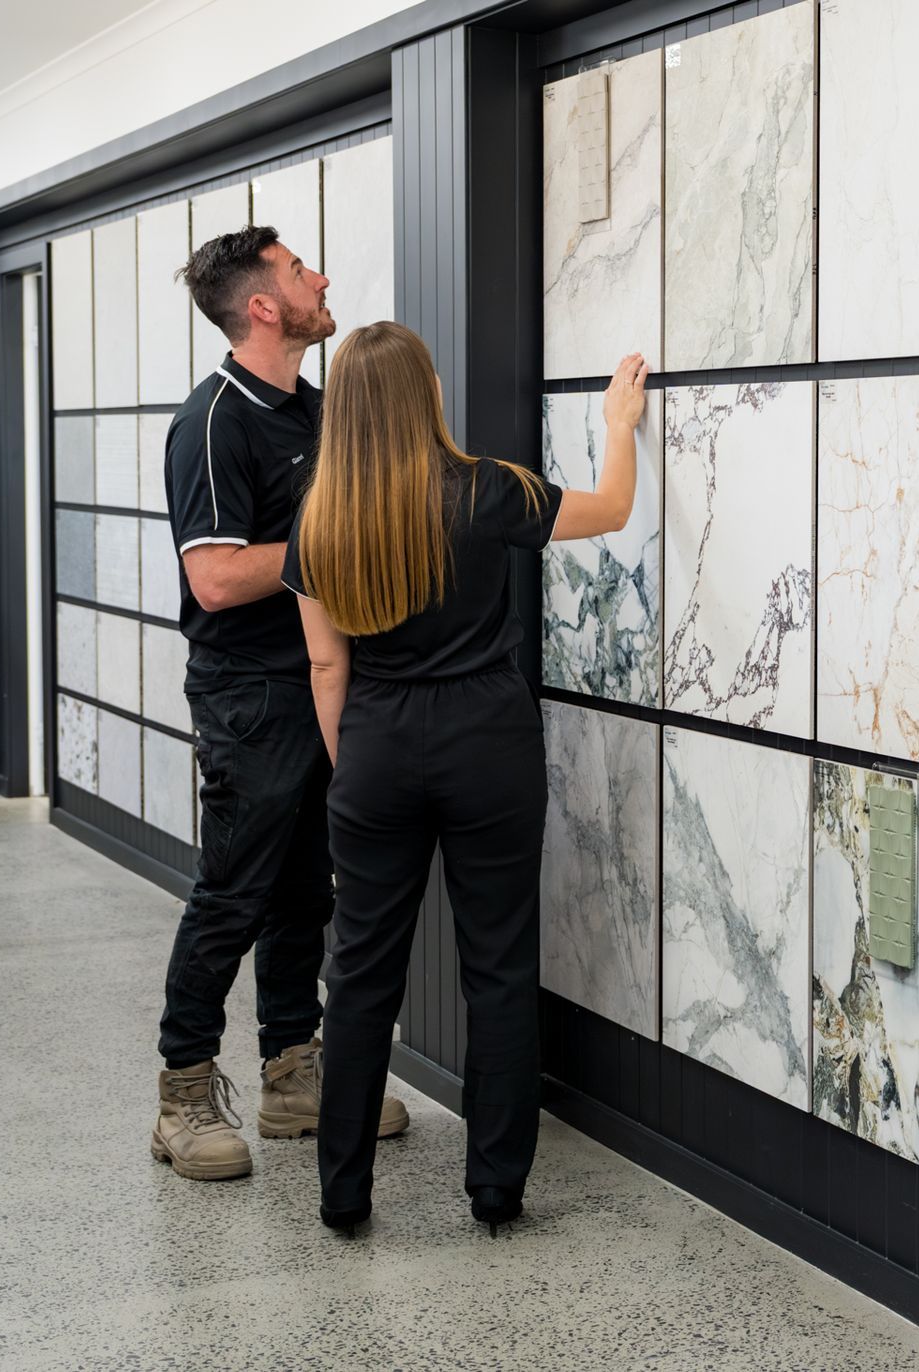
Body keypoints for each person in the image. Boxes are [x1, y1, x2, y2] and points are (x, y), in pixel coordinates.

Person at [283, 322, 647, 1234]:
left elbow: (326, 667)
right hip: (488, 740)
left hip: (374, 741)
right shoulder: (488, 489)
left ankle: (342, 1194)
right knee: (498, 965)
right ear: (425, 395)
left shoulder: (319, 519)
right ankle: (495, 1188)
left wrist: (357, 767)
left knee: (360, 974)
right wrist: (617, 422)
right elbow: (610, 509)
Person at [153, 226, 409, 1181]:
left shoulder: (320, 408)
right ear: (263, 306)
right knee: (234, 892)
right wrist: (330, 544)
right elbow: (216, 578)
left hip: (329, 678)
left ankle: (292, 1074)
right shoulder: (213, 422)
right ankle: (182, 1094)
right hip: (250, 694)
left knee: (308, 887)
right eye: (301, 271)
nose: (322, 278)